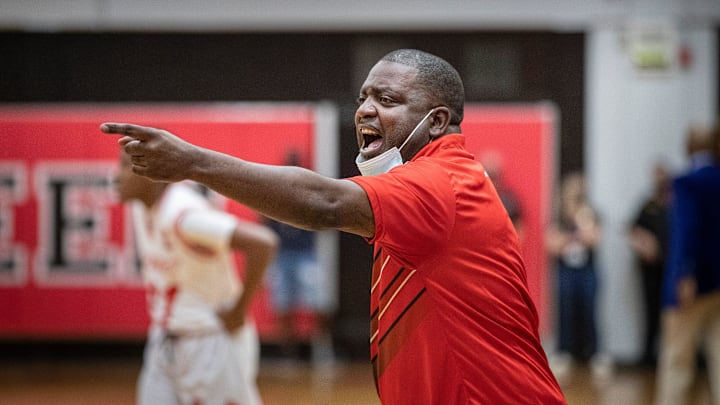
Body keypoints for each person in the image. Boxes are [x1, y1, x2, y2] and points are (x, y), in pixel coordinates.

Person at [102, 48, 566, 404]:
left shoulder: (439, 183)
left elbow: (324, 202)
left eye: (387, 100)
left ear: (437, 120)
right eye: (363, 97)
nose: (365, 109)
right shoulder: (435, 178)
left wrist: (193, 162)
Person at [115, 151, 278, 405]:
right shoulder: (141, 207)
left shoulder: (184, 215)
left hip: (210, 339)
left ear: (150, 175)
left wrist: (238, 310)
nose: (115, 176)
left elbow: (263, 244)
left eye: (125, 166)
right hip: (164, 337)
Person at [655, 124, 720, 405]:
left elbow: (687, 231)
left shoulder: (686, 183)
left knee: (677, 359)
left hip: (692, 285)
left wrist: (685, 274)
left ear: (689, 146)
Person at [264, 149, 335, 366]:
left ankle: (323, 349)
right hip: (282, 254)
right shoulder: (272, 192)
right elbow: (264, 222)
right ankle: (288, 355)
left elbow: (325, 216)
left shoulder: (310, 189)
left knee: (319, 303)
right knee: (283, 305)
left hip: (306, 253)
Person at [545, 172, 604, 379]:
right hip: (565, 270)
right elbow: (553, 245)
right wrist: (573, 235)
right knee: (565, 309)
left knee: (590, 310)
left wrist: (578, 224)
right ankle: (563, 352)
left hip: (586, 269)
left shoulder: (590, 213)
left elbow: (593, 239)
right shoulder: (559, 215)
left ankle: (595, 354)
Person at [628, 161, 672, 368]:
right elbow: (633, 229)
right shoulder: (648, 204)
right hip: (650, 270)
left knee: (671, 315)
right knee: (650, 313)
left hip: (671, 269)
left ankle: (669, 357)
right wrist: (644, 244)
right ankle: (648, 357)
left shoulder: (675, 204)